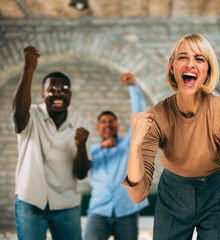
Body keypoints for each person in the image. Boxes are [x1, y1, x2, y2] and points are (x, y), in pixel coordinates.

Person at [122, 33, 220, 239]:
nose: (191, 64)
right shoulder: (158, 116)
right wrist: (135, 143)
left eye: (199, 59)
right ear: (172, 67)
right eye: (183, 57)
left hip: (218, 195)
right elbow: (137, 195)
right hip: (173, 195)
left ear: (207, 71)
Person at [12, 46, 91, 240]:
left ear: (70, 95)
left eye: (64, 90)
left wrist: (81, 147)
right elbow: (18, 116)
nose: (58, 94)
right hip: (30, 201)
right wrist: (28, 69)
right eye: (51, 90)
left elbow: (81, 174)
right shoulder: (31, 115)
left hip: (66, 205)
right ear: (42, 95)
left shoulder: (81, 124)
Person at [84, 73, 149, 240]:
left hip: (127, 211)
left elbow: (139, 115)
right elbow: (78, 166)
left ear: (117, 125)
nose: (107, 124)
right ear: (98, 127)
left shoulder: (128, 145)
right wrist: (100, 146)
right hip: (98, 211)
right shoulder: (91, 150)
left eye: (111, 121)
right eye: (103, 122)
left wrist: (133, 86)